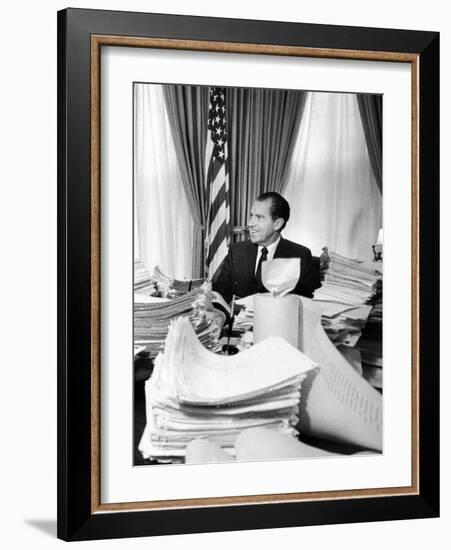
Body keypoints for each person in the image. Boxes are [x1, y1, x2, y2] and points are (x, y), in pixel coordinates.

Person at [212, 191, 318, 304]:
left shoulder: (300, 256)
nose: (250, 223)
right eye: (251, 215)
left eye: (259, 217)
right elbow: (220, 294)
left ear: (277, 224)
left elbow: (306, 303)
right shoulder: (236, 251)